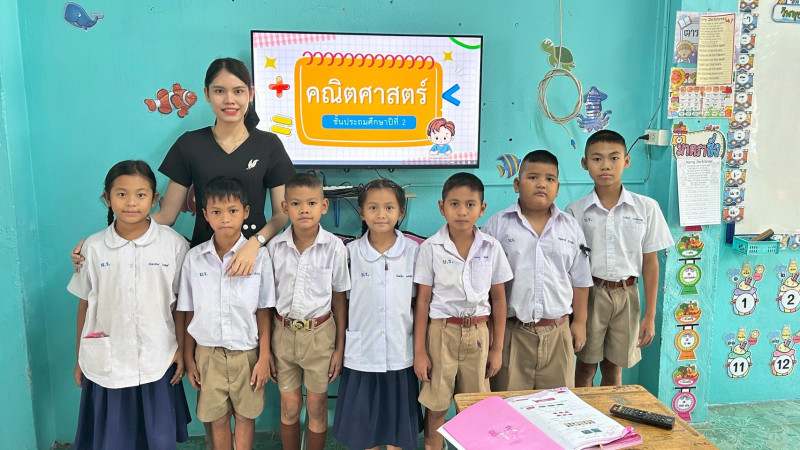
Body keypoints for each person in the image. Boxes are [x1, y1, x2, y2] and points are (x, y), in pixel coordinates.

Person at [72, 57, 294, 277]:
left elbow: (280, 215)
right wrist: (100, 242)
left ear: (251, 94)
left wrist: (254, 244)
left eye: (238, 91)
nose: (229, 100)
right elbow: (167, 216)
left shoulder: (269, 145)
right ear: (207, 94)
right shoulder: (190, 144)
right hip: (202, 261)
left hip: (254, 261)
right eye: (219, 91)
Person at [68, 160, 191, 449]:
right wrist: (79, 357)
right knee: (113, 440)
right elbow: (85, 304)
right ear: (107, 198)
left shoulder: (174, 245)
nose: (131, 202)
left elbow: (181, 307)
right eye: (121, 194)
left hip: (159, 356)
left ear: (155, 199)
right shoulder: (93, 248)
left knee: (157, 440)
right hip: (107, 361)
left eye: (141, 194)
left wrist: (182, 350)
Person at [565, 130, 673, 387]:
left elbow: (651, 263)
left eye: (614, 158)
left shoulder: (646, 208)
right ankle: (583, 412)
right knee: (585, 366)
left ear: (626, 161)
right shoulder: (575, 211)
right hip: (590, 294)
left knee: (614, 368)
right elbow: (570, 267)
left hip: (628, 294)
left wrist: (649, 315)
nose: (606, 165)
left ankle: (610, 412)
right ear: (585, 163)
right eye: (597, 159)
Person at [413, 172, 513, 450]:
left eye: (470, 204)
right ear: (441, 207)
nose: (462, 211)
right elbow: (422, 302)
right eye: (454, 204)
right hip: (441, 333)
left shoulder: (491, 247)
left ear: (482, 208)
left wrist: (497, 348)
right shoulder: (430, 248)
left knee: (476, 408)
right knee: (436, 407)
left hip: (479, 335)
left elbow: (499, 300)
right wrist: (420, 352)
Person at [482, 150, 593, 391]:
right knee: (509, 405)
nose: (541, 184)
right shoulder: (497, 226)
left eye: (549, 179)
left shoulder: (570, 227)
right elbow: (484, 284)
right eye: (532, 177)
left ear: (557, 188)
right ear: (517, 184)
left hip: (558, 332)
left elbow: (581, 279)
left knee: (558, 406)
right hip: (512, 334)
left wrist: (580, 322)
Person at [178, 177, 275, 450]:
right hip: (207, 354)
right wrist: (189, 358)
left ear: (245, 212)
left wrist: (264, 357)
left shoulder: (260, 257)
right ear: (205, 214)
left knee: (245, 416)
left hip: (247, 353)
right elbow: (188, 311)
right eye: (216, 212)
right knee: (218, 419)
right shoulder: (194, 258)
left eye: (232, 211)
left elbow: (264, 311)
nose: (225, 219)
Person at [332, 179, 423, 450]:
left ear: (401, 212)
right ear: (361, 212)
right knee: (364, 433)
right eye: (373, 207)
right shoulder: (349, 253)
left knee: (398, 434)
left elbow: (419, 304)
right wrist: (339, 349)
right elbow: (341, 305)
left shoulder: (415, 252)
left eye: (389, 207)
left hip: (400, 353)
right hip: (362, 355)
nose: (381, 214)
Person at [267, 173, 350, 450]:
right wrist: (266, 349)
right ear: (284, 207)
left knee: (316, 407)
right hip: (283, 334)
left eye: (311, 203)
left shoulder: (334, 248)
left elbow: (339, 298)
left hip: (320, 335)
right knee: (290, 407)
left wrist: (339, 348)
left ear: (324, 206)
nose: (304, 210)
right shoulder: (274, 248)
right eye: (296, 203)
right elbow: (266, 302)